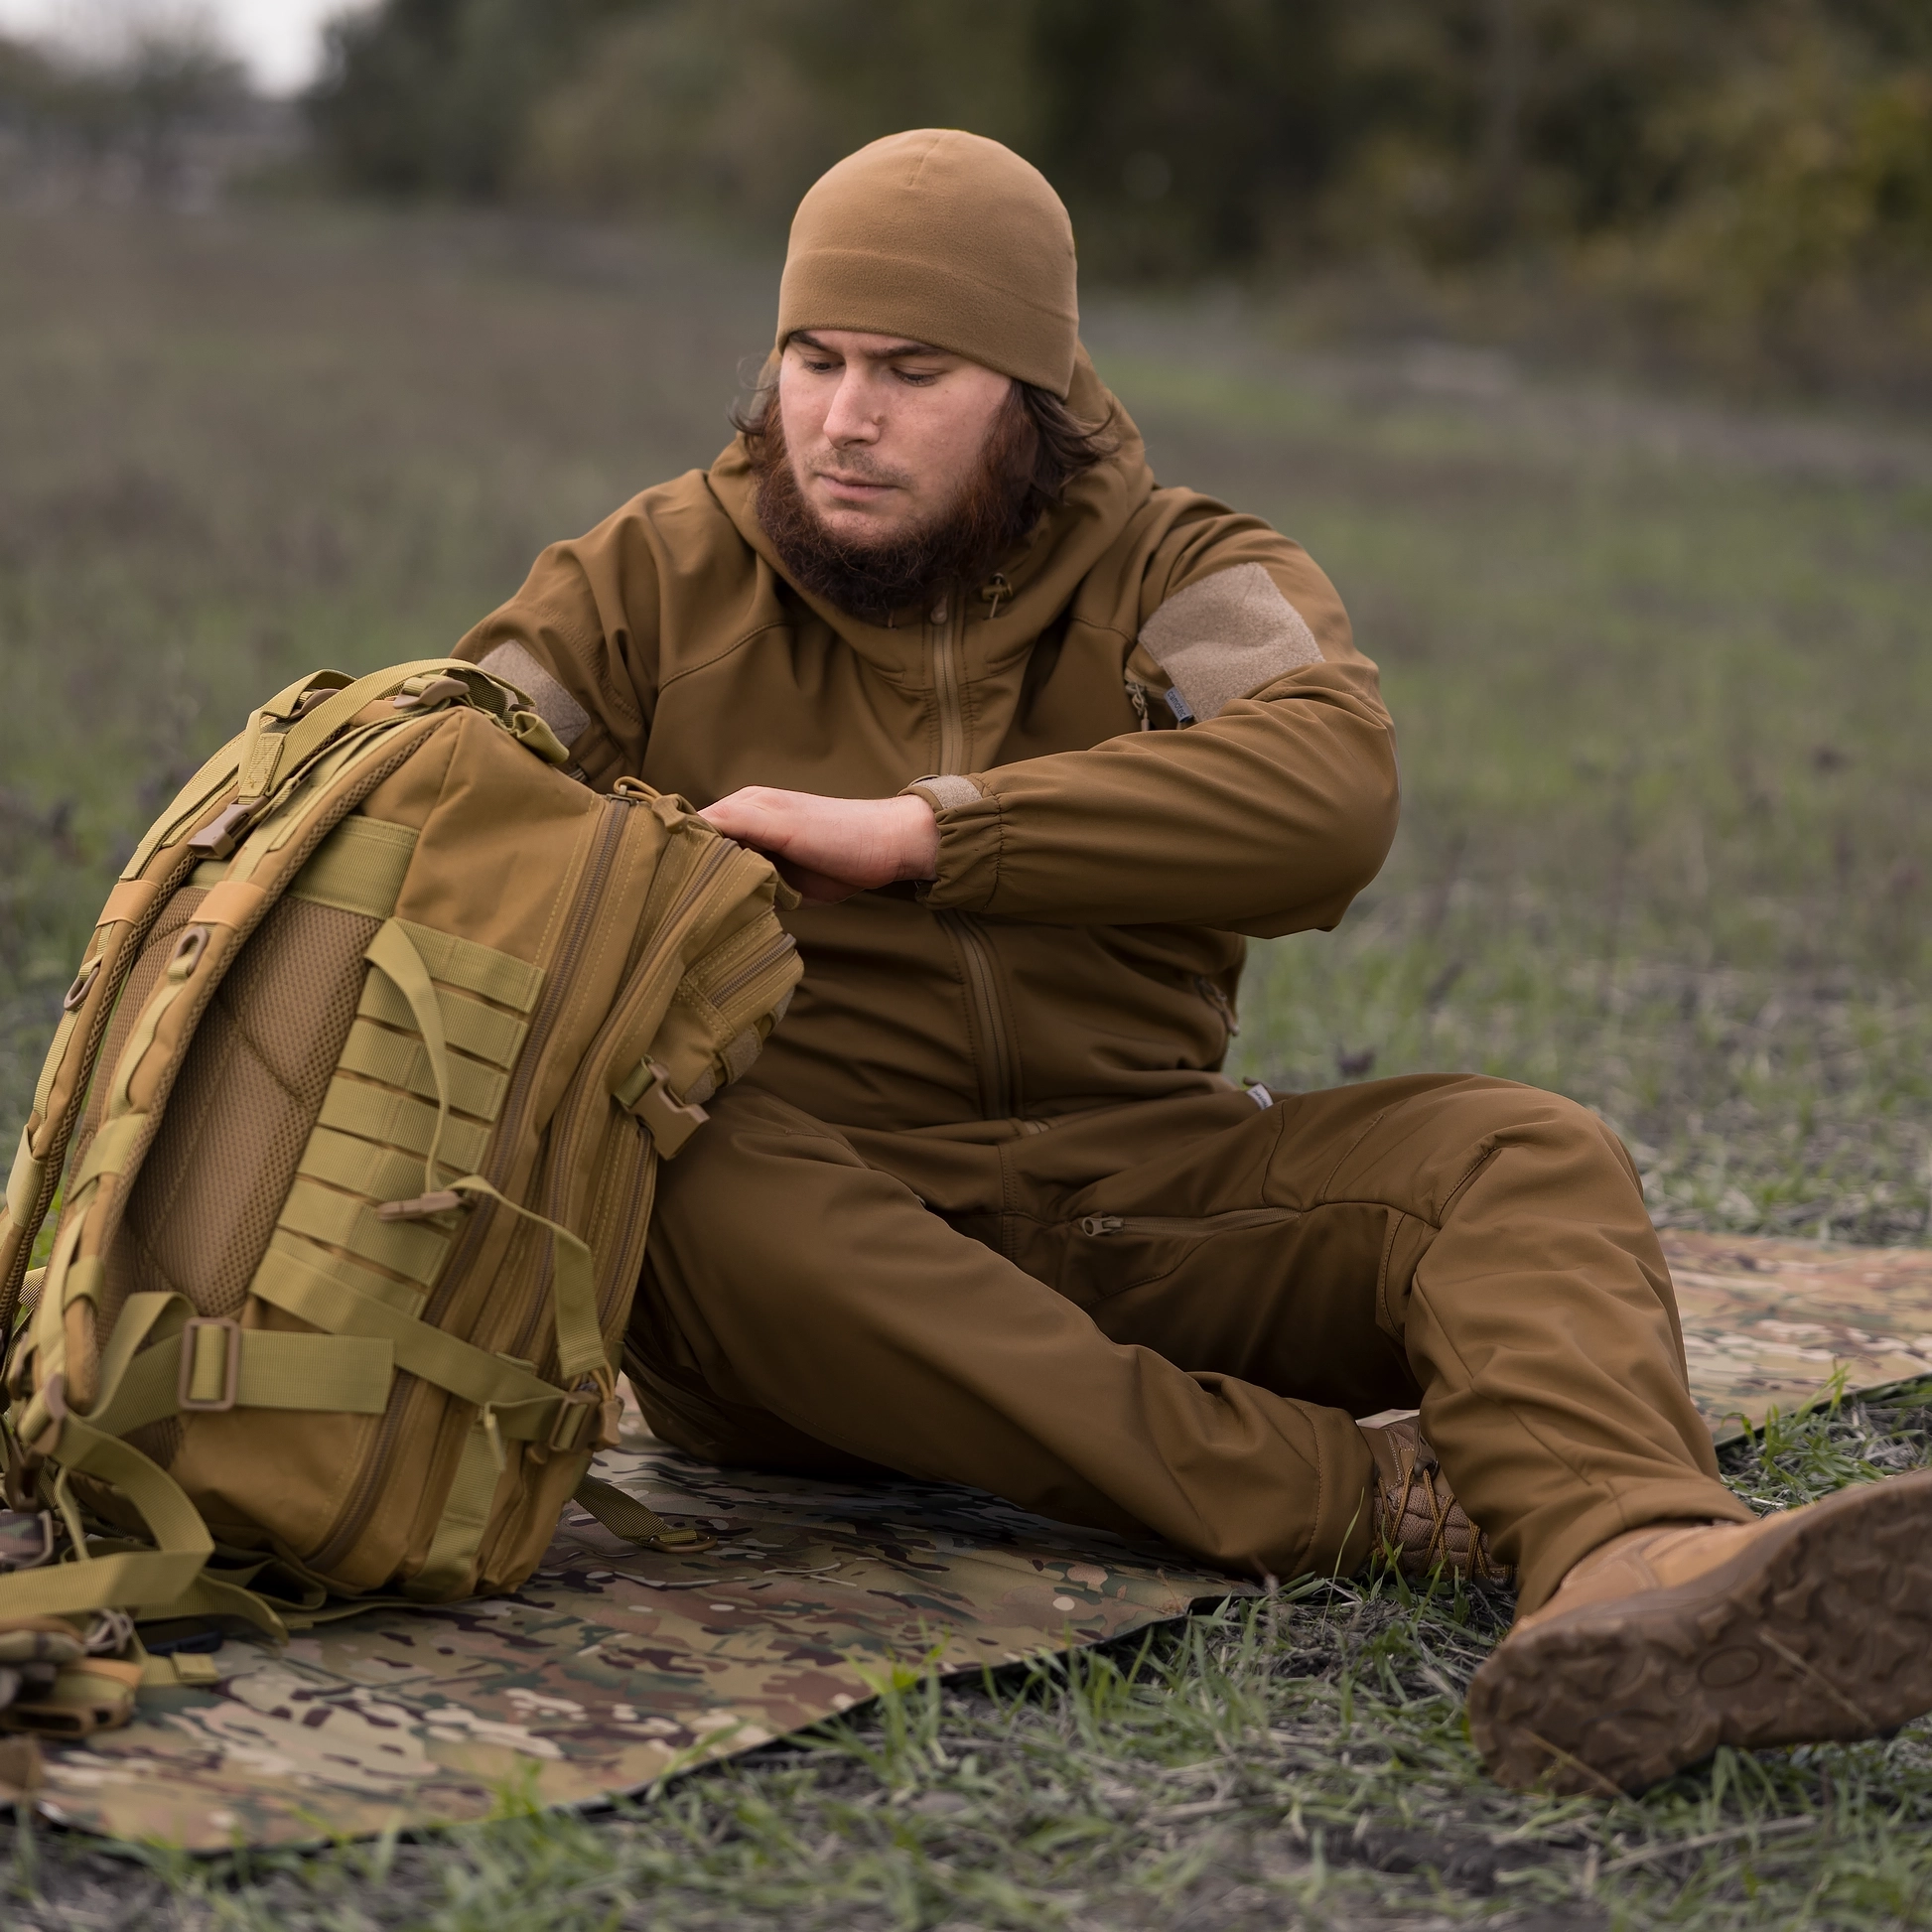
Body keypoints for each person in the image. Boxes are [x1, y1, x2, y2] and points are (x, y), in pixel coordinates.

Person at [456, 129, 1932, 1794]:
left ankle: (1634, 1568)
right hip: (811, 1264)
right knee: (681, 1171)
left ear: (1028, 387)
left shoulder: (1175, 568)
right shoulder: (642, 583)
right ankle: (1367, 1497)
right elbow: (434, 793)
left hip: (1138, 1191)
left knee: (1517, 1149)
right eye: (815, 358)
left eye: (913, 371)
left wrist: (933, 833)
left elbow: (1330, 784)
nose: (844, 417)